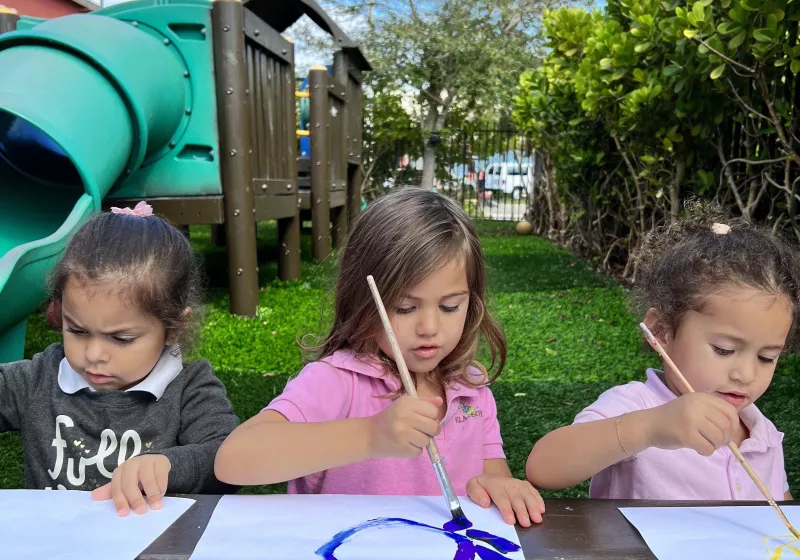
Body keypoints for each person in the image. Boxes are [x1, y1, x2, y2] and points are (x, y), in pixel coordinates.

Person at [215, 188, 545, 527]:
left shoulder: (471, 388)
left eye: (450, 306)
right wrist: (370, 436)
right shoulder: (338, 381)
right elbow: (233, 459)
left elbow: (491, 470)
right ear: (364, 300)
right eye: (404, 307)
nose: (429, 327)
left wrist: (498, 485)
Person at [526, 201, 800, 501]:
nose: (746, 374)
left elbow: (782, 507)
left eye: (767, 357)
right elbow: (544, 467)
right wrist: (650, 428)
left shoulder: (762, 433)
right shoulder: (636, 406)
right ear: (661, 331)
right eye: (724, 350)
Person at [0, 202, 239, 516]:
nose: (94, 355)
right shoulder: (39, 378)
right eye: (77, 330)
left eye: (121, 339)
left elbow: (229, 457)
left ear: (173, 328)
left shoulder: (190, 389)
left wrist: (168, 465)